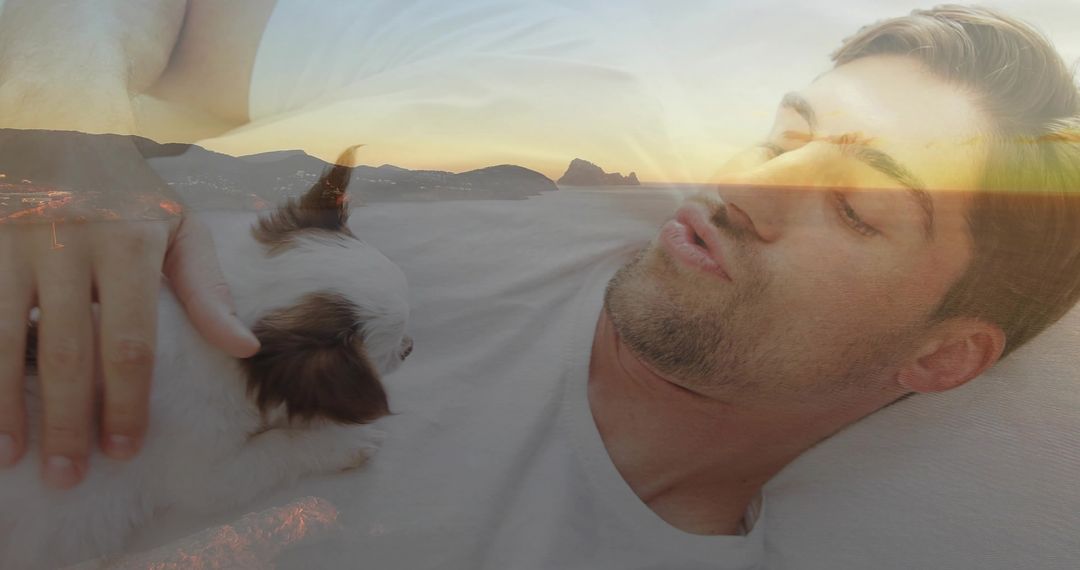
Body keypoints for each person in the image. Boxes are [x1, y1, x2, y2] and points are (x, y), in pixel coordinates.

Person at [1, 1, 1079, 567]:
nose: (748, 184)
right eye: (783, 134)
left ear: (941, 357)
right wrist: (59, 137)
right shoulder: (541, 104)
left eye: (856, 203)